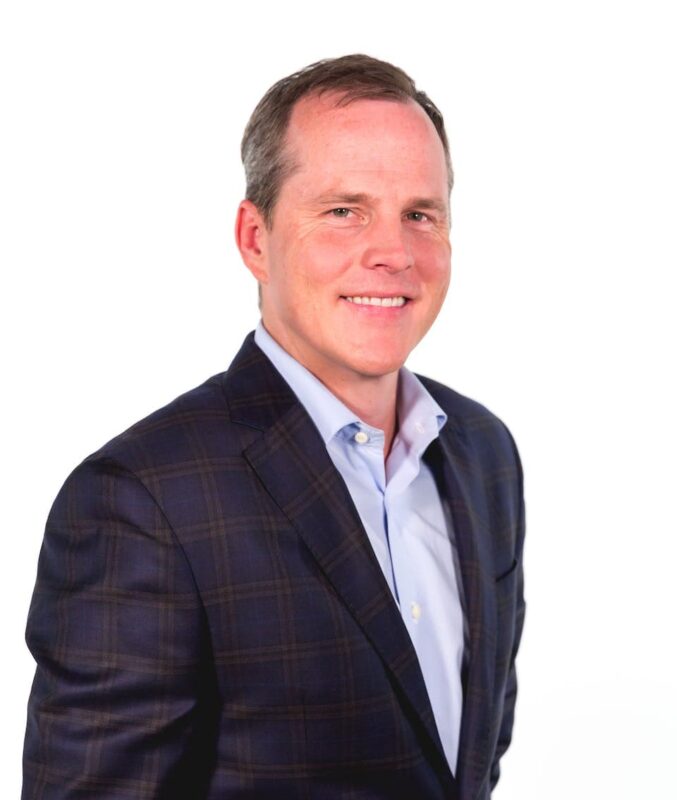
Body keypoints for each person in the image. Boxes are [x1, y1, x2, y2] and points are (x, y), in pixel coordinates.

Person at [22, 54, 526, 800]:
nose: (392, 252)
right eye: (342, 210)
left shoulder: (481, 453)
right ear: (255, 239)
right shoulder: (142, 501)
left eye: (419, 214)